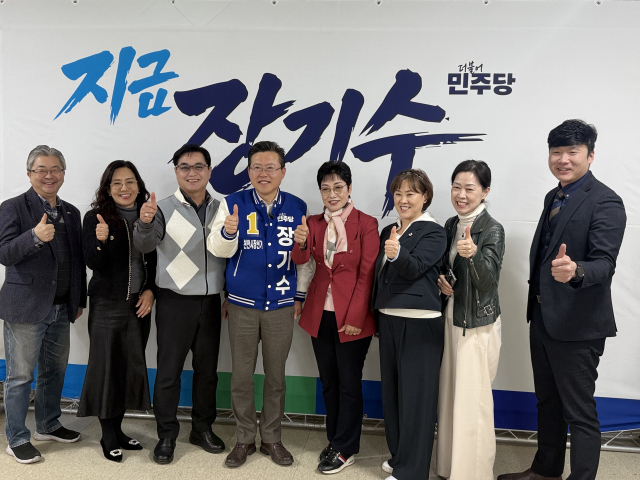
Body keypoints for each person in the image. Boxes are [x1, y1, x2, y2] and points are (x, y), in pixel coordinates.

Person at [498, 120, 626, 480]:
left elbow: (605, 263)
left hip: (578, 324)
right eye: (557, 151)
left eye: (573, 152)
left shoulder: (605, 200)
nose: (563, 159)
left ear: (590, 155)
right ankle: (546, 471)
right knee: (548, 402)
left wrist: (576, 271)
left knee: (579, 412)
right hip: (542, 318)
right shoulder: (553, 197)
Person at [208, 140, 313, 468]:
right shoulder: (232, 204)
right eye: (256, 167)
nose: (263, 173)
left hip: (281, 305)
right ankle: (243, 439)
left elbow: (304, 259)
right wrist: (228, 232)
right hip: (241, 304)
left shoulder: (297, 206)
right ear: (249, 170)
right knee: (241, 377)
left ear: (283, 171)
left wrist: (299, 296)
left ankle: (271, 438)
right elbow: (217, 249)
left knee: (276, 377)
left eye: (270, 167)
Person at [133, 144, 226, 465]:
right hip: (174, 301)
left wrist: (228, 294)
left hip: (211, 301)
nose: (192, 172)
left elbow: (232, 252)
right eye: (184, 167)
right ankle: (167, 435)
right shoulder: (161, 207)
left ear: (209, 171)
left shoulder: (223, 208)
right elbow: (145, 245)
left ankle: (202, 429)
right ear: (175, 171)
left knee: (207, 372)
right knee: (169, 372)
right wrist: (144, 222)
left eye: (198, 166)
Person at [0, 145, 86, 464]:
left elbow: (77, 261)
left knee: (54, 370)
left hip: (62, 307)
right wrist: (34, 236)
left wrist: (78, 299)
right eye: (41, 170)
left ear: (63, 173)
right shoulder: (12, 207)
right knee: (20, 376)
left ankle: (48, 425)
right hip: (25, 308)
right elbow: (4, 253)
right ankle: (17, 438)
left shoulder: (71, 212)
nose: (49, 175)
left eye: (55, 169)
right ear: (29, 174)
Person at [291, 161, 379, 474]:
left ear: (349, 188)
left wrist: (355, 316)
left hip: (352, 317)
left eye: (338, 187)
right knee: (329, 382)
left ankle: (347, 447)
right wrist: (301, 242)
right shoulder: (313, 223)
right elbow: (302, 261)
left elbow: (367, 273)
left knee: (348, 384)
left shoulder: (366, 223)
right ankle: (335, 439)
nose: (332, 194)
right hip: (320, 314)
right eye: (326, 188)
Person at [77, 160, 157, 462]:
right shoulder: (96, 217)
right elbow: (92, 263)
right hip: (107, 304)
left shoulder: (149, 214)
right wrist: (100, 242)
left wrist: (151, 290)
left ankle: (119, 430)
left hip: (139, 304)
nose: (124, 188)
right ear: (108, 188)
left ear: (138, 184)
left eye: (130, 181)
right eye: (117, 183)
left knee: (128, 368)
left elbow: (157, 261)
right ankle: (107, 434)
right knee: (106, 369)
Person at [371, 169, 447, 480]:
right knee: (393, 396)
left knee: (417, 400)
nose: (403, 199)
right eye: (399, 193)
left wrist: (397, 253)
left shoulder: (434, 232)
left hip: (420, 323)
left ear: (425, 197)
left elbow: (414, 267)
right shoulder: (389, 230)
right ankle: (400, 457)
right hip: (389, 319)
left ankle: (412, 472)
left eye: (411, 193)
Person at [436, 160, 505, 480]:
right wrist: (442, 281)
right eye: (456, 187)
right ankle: (450, 468)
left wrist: (473, 255)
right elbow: (445, 268)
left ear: (485, 192)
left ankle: (473, 474)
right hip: (452, 318)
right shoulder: (451, 224)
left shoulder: (492, 229)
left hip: (477, 326)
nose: (461, 195)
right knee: (451, 397)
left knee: (472, 403)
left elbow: (488, 284)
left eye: (469, 188)